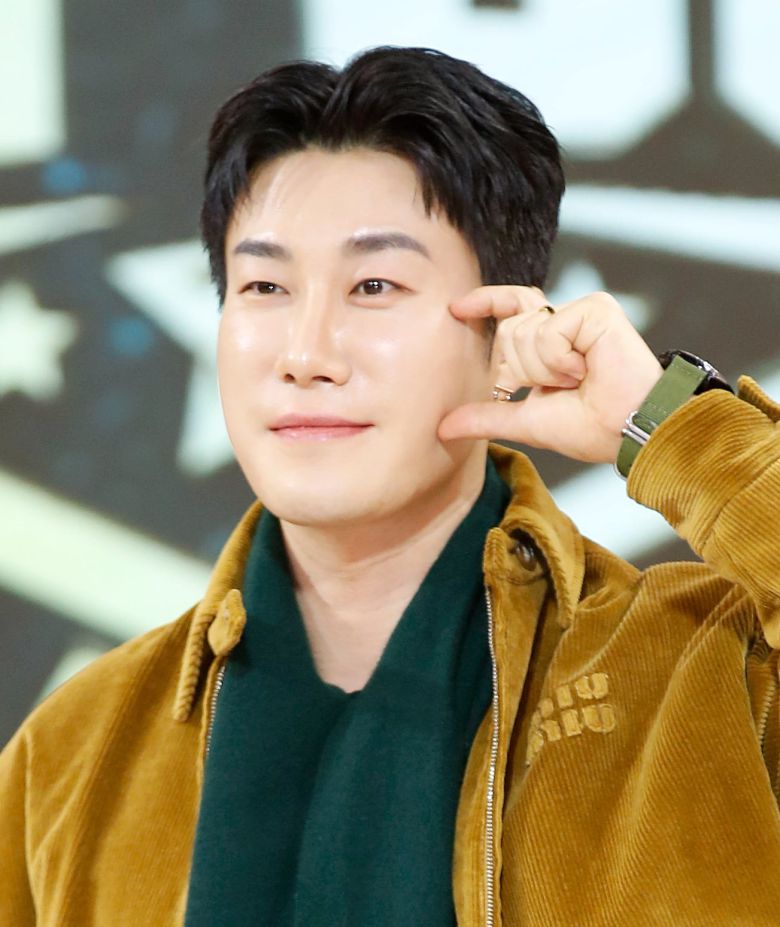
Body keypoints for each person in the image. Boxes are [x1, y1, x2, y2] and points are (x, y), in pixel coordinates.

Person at [2, 45, 779, 927]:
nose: (306, 354)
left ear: (506, 323)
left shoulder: (704, 676)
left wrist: (669, 422)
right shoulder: (73, 754)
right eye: (264, 285)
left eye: (374, 284)